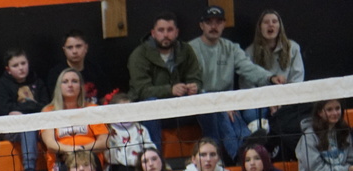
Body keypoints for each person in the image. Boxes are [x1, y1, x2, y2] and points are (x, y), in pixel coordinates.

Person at [187, 5, 281, 163]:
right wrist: (219, 103)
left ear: (224, 24)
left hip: (227, 102)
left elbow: (249, 68)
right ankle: (243, 153)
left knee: (228, 115)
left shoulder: (231, 48)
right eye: (209, 22)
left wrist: (270, 78)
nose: (214, 26)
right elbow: (191, 82)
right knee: (220, 113)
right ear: (201, 25)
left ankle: (244, 152)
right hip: (200, 101)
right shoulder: (191, 49)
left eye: (218, 22)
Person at [126, 11, 202, 151]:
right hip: (152, 111)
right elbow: (142, 90)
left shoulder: (186, 50)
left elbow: (195, 77)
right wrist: (170, 89)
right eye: (161, 30)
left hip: (180, 108)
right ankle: (156, 158)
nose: (165, 34)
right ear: (153, 33)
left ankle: (220, 154)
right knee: (150, 104)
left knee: (208, 100)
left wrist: (194, 86)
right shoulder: (139, 55)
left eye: (170, 30)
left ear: (177, 32)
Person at [240, 9, 306, 152]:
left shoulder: (292, 48)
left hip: (287, 100)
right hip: (261, 102)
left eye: (274, 22)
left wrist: (282, 100)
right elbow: (247, 86)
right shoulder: (249, 52)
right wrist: (268, 101)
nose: (271, 25)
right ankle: (261, 148)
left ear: (279, 26)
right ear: (260, 27)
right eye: (266, 22)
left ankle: (283, 148)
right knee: (250, 114)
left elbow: (297, 81)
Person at [0, 47, 48, 171]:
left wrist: (23, 109)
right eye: (15, 65)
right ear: (8, 69)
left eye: (23, 63)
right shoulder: (2, 85)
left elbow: (45, 106)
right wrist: (31, 108)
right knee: (26, 126)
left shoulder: (38, 82)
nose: (21, 68)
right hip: (11, 129)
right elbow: (4, 108)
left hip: (39, 126)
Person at [40, 69, 108, 171]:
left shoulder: (92, 109)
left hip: (90, 159)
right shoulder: (49, 111)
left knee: (84, 166)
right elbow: (51, 145)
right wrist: (71, 151)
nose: (70, 85)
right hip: (61, 160)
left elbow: (104, 142)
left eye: (74, 81)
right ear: (59, 87)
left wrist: (80, 150)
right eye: (65, 81)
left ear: (81, 86)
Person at [296, 99, 353, 171]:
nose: (335, 113)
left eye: (337, 108)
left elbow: (350, 160)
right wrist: (346, 170)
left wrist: (349, 169)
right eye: (329, 109)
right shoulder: (309, 136)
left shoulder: (345, 131)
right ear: (320, 112)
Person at [45, 30, 110, 105]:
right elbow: (55, 102)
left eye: (78, 46)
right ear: (64, 50)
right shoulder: (56, 73)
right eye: (70, 47)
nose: (74, 51)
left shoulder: (96, 70)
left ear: (86, 47)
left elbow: (104, 99)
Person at [104, 92, 156, 171]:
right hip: (119, 166)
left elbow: (149, 147)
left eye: (128, 109)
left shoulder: (140, 129)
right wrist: (133, 161)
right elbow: (111, 156)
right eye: (122, 110)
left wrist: (145, 161)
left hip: (141, 165)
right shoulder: (109, 130)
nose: (126, 113)